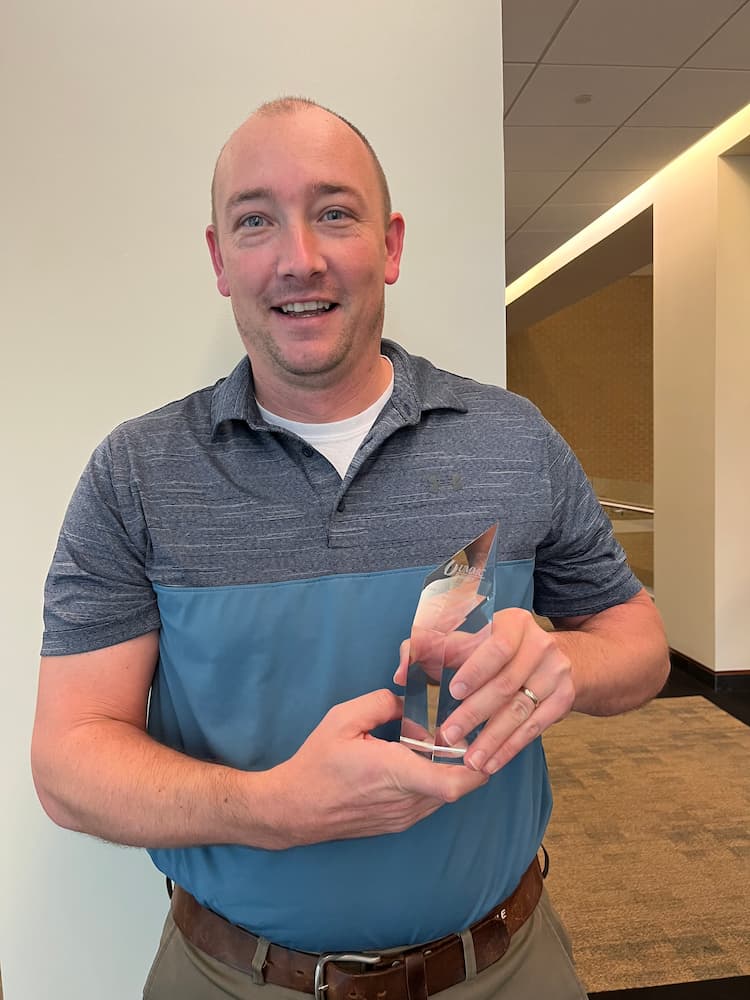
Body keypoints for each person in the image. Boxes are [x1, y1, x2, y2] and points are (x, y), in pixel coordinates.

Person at [32, 97, 670, 1000]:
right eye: (256, 220)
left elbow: (640, 645)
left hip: (505, 968)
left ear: (392, 244)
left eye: (335, 212)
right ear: (220, 259)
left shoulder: (512, 439)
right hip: (228, 979)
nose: (301, 257)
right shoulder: (135, 475)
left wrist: (564, 661)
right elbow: (68, 762)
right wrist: (272, 810)